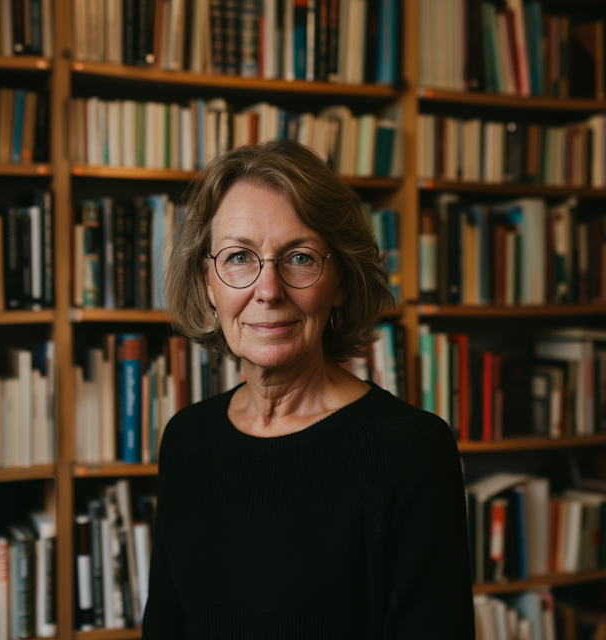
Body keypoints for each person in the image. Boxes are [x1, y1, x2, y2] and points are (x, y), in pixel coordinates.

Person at [142, 139, 475, 639]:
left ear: (340, 280)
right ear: (207, 284)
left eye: (298, 257)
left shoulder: (412, 451)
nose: (269, 289)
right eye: (238, 257)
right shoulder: (186, 439)